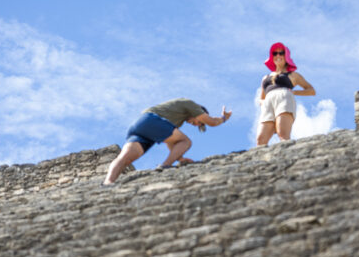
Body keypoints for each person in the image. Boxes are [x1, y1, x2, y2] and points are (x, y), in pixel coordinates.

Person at [103, 98, 232, 185]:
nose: (196, 125)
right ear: (200, 113)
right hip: (151, 120)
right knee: (186, 142)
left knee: (125, 158)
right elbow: (213, 122)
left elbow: (170, 142)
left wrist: (180, 159)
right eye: (200, 122)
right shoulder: (190, 104)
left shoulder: (176, 119)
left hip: (140, 126)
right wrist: (223, 118)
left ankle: (108, 183)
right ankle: (165, 166)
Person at [257, 42, 315, 145]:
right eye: (275, 53)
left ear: (286, 56)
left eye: (281, 53)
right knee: (261, 139)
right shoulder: (265, 78)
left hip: (284, 99)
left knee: (282, 134)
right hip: (268, 103)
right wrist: (262, 102)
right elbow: (261, 97)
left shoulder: (293, 75)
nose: (278, 55)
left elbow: (311, 90)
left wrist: (294, 92)